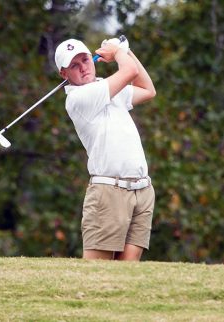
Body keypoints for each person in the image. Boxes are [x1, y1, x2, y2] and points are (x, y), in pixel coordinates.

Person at [54, 37, 156, 261]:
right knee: (97, 277)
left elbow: (148, 90)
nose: (83, 67)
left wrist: (126, 51)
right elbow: (128, 71)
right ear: (64, 74)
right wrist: (119, 52)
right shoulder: (78, 98)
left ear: (93, 59)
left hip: (141, 190)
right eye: (74, 65)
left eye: (85, 60)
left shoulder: (107, 88)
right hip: (108, 192)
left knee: (127, 276)